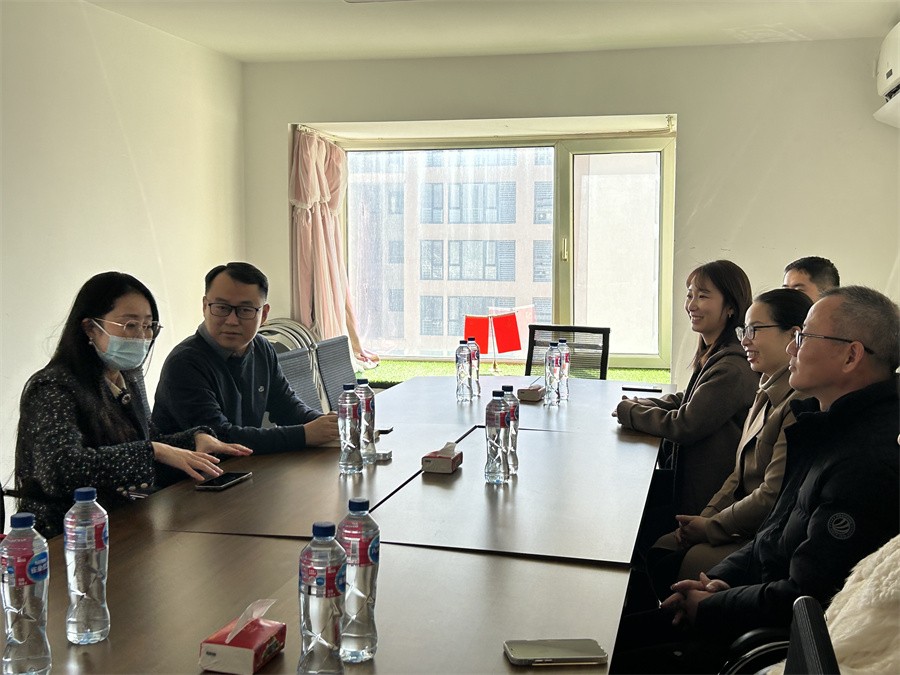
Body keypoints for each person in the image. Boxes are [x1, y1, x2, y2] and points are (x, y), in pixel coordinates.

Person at [611, 286, 899, 674]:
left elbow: (807, 596)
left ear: (851, 356)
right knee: (613, 635)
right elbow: (773, 534)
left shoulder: (866, 463)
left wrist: (712, 604)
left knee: (611, 656)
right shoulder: (825, 427)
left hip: (759, 640)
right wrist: (716, 580)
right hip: (744, 601)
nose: (793, 347)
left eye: (805, 337)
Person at [12, 272, 252, 538]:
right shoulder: (53, 386)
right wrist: (153, 451)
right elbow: (59, 469)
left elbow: (147, 440)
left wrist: (193, 440)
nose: (141, 336)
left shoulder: (127, 377)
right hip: (63, 538)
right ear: (90, 328)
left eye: (148, 326)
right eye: (130, 325)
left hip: (125, 521)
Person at [646, 289, 813, 598]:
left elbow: (771, 495)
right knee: (658, 549)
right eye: (743, 331)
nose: (745, 340)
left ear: (793, 335)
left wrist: (711, 527)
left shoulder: (798, 403)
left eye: (754, 330)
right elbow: (738, 474)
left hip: (758, 536)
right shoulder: (765, 389)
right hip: (736, 523)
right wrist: (706, 517)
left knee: (663, 562)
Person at [614, 260, 759, 531]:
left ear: (731, 307)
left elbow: (685, 424)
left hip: (704, 502)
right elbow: (689, 399)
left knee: (624, 514)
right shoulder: (716, 351)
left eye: (702, 296)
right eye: (690, 295)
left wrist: (631, 412)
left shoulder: (732, 367)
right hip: (686, 486)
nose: (691, 305)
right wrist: (644, 403)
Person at [152, 262, 339, 453]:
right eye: (222, 307)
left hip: (245, 466)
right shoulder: (184, 363)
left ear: (264, 314)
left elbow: (287, 407)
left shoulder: (262, 348)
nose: (232, 321)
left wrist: (330, 425)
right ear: (205, 306)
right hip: (197, 471)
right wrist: (304, 434)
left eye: (245, 310)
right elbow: (219, 438)